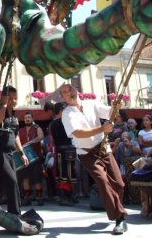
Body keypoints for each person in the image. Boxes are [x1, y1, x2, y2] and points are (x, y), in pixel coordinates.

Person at [60, 84, 128, 235]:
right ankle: (120, 218)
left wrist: (116, 106)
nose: (68, 92)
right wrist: (101, 129)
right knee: (103, 181)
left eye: (70, 89)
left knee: (119, 183)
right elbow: (77, 133)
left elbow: (110, 112)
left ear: (76, 90)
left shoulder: (91, 104)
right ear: (63, 97)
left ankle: (118, 211)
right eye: (64, 92)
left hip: (103, 148)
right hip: (86, 154)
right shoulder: (67, 113)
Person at [0, 85, 29, 215]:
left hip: (9, 153)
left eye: (15, 98)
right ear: (3, 97)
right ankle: (15, 213)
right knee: (12, 181)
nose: (13, 101)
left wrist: (22, 153)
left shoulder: (14, 116)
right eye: (10, 98)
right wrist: (3, 105)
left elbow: (15, 136)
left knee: (6, 184)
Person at [18, 112, 45, 206]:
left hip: (36, 157)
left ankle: (39, 198)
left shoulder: (37, 128)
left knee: (37, 178)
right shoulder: (20, 130)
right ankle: (27, 198)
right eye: (25, 118)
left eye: (29, 117)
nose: (27, 119)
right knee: (25, 179)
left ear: (32, 119)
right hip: (24, 158)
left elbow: (41, 137)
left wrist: (31, 142)